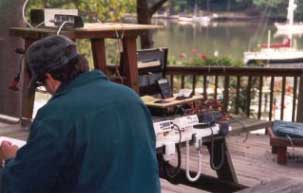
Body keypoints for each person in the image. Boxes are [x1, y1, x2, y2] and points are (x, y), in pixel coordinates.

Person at [0, 35, 161, 193]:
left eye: (42, 85)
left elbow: (22, 185)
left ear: (49, 78)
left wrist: (11, 160)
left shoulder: (56, 114)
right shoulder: (130, 97)